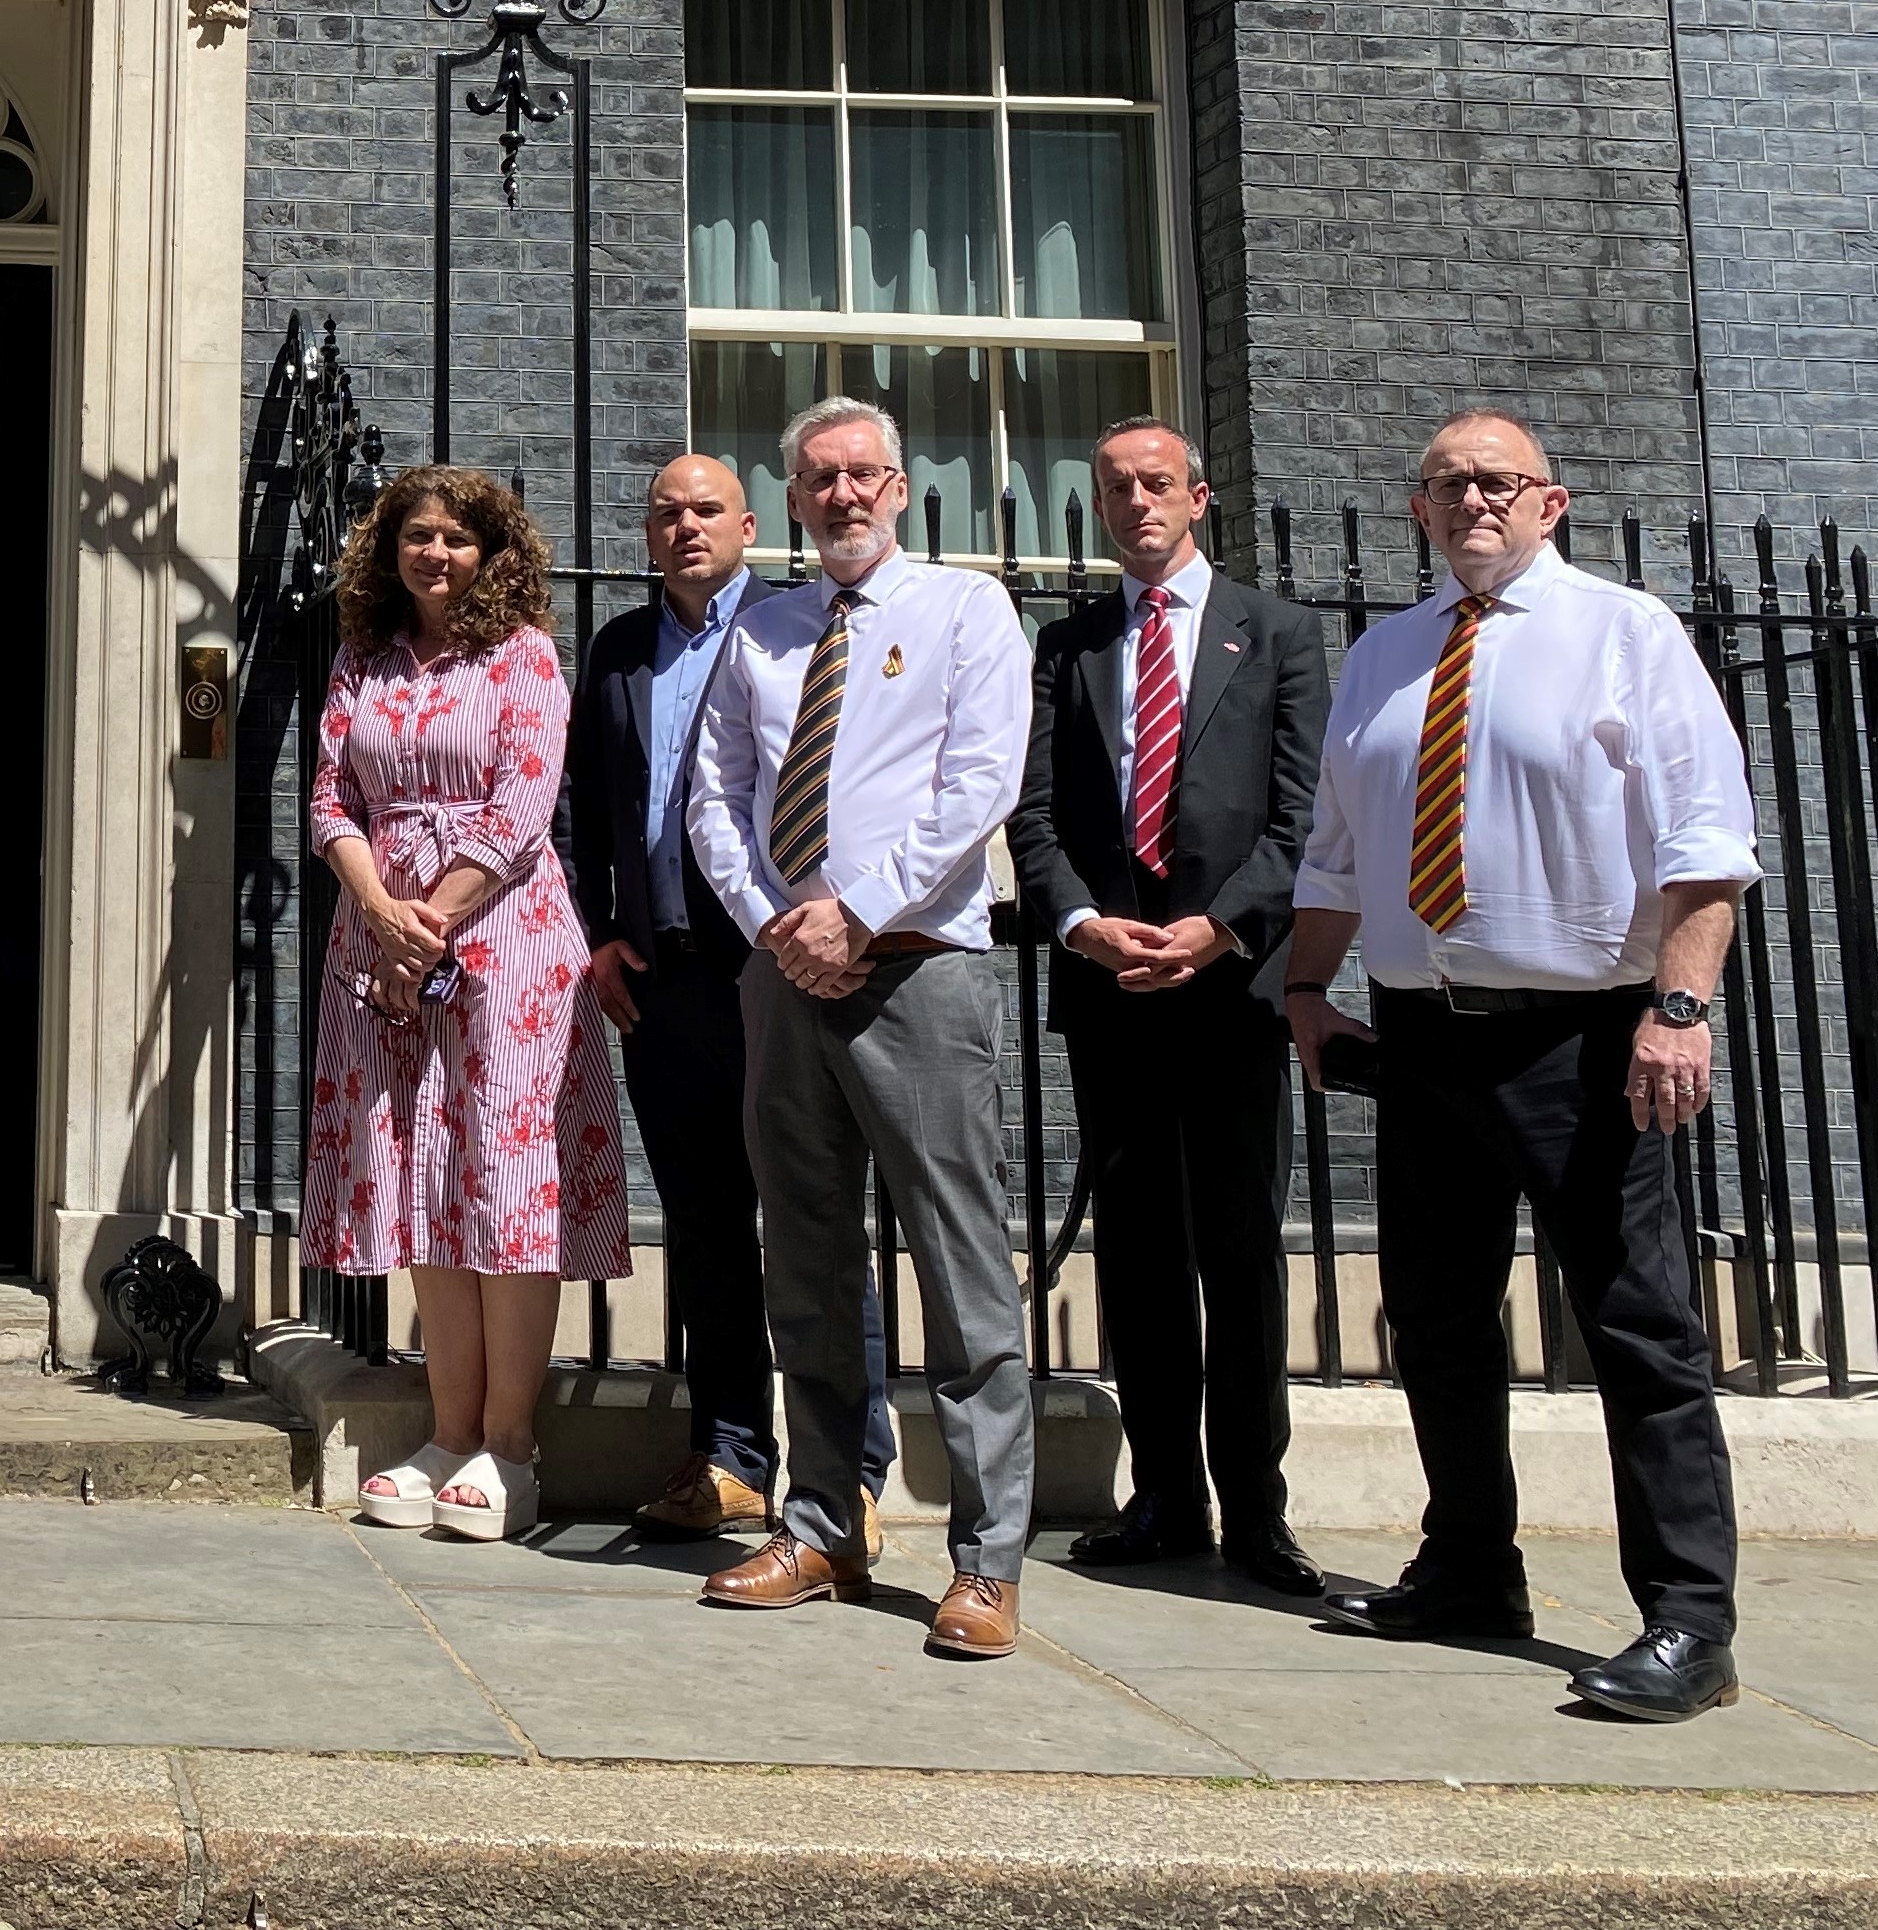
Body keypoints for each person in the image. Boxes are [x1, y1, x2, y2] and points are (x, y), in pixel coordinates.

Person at [1283, 408, 1757, 1723]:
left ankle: (1689, 1623)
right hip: (1422, 1034)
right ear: (1419, 510)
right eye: (1447, 484)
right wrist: (1308, 985)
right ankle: (1470, 1570)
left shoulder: (1627, 633)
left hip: (1585, 1036)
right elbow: (1335, 850)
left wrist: (1679, 1006)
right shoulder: (1383, 655)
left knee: (1636, 1327)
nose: (1472, 501)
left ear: (1552, 504)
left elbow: (1706, 845)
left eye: (1499, 482)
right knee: (1435, 1315)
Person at [685, 396, 1035, 1661]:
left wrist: (859, 912)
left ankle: (988, 1561)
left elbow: (980, 779)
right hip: (787, 973)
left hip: (919, 968)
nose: (840, 495)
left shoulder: (966, 610)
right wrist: (781, 923)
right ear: (793, 497)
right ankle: (826, 1521)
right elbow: (716, 794)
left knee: (961, 1262)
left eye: (862, 475)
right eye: (817, 478)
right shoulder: (765, 631)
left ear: (900, 487)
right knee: (809, 1261)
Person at [1008, 416, 1330, 1597]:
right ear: (1096, 509)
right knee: (1139, 1256)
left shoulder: (1282, 635)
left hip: (1231, 990)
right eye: (1114, 489)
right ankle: (1165, 1498)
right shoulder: (1070, 645)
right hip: (1113, 990)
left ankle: (1257, 1509)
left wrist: (1220, 927)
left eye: (1156, 484)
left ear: (1198, 497)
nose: (1136, 503)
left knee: (1240, 1255)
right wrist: (1085, 925)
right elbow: (1033, 815)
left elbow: (1304, 819)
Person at [565, 453, 894, 1553]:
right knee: (704, 1227)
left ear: (752, 524)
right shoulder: (617, 649)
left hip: (773, 961)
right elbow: (591, 809)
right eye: (666, 513)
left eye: (706, 510)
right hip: (658, 977)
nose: (685, 527)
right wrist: (600, 932)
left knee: (810, 1220)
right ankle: (733, 1459)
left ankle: (849, 1472)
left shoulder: (793, 629)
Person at [304, 465, 630, 1545]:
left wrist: (427, 920)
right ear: (388, 549)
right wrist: (374, 904)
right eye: (415, 536)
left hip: (501, 941)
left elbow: (524, 803)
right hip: (379, 938)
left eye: (454, 538)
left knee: (502, 1179)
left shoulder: (524, 654)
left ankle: (511, 1447)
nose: (432, 554)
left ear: (492, 553)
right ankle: (448, 1436)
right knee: (424, 1181)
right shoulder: (361, 658)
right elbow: (329, 801)